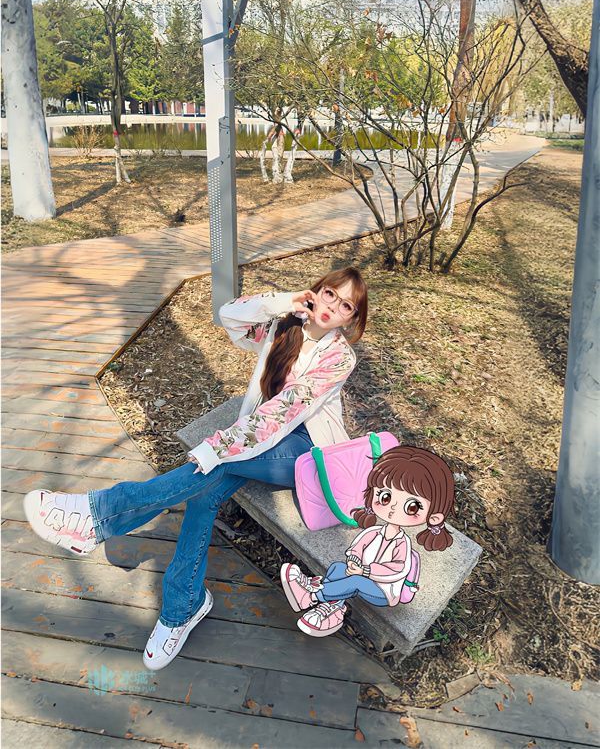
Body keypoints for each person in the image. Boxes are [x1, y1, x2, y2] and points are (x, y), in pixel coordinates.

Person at [23, 267, 368, 670]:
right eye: (330, 294)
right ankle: (181, 607)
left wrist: (217, 448)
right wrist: (283, 300)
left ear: (351, 319)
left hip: (304, 452)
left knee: (213, 467)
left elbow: (284, 412)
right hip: (261, 437)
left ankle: (98, 514)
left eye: (346, 306)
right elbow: (229, 315)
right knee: (205, 491)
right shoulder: (283, 325)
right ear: (316, 291)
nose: (333, 307)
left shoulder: (340, 357)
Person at [280, 446, 455, 636]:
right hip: (363, 574)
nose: (392, 508)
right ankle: (333, 608)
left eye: (411, 507)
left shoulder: (402, 543)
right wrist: (353, 561)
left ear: (434, 517)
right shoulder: (373, 532)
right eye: (386, 497)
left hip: (384, 591)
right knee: (338, 568)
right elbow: (356, 549)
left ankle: (312, 596)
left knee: (356, 582)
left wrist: (364, 571)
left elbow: (396, 569)